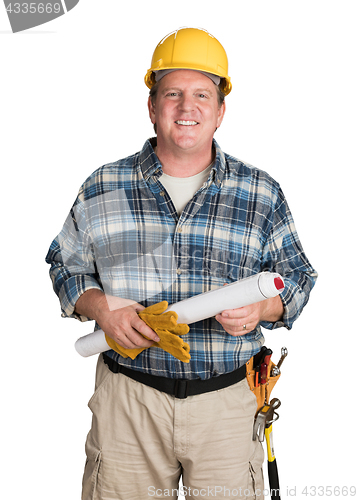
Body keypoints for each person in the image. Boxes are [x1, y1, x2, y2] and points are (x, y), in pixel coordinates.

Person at [46, 27, 317, 500]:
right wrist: (101, 308)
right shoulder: (103, 186)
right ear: (152, 107)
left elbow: (297, 278)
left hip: (227, 406)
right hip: (128, 401)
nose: (186, 107)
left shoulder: (260, 193)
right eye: (172, 94)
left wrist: (263, 310)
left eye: (201, 95)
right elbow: (64, 266)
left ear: (220, 111)